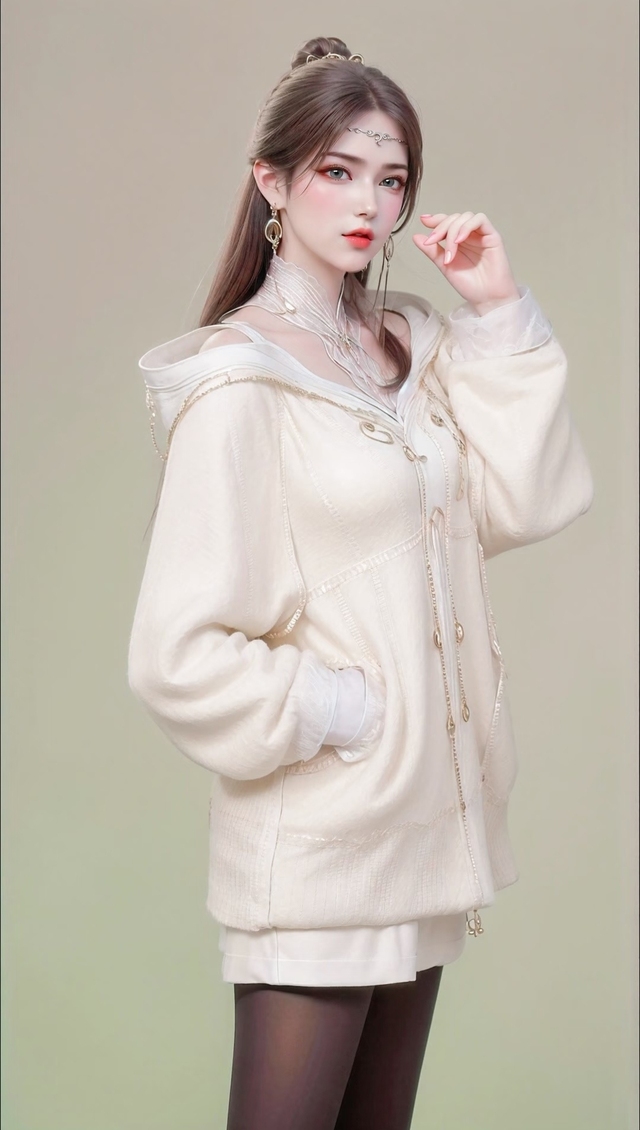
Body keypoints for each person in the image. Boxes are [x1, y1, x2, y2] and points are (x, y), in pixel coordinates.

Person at [128, 35, 594, 1130]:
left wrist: (496, 310)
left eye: (391, 179)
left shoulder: (407, 345)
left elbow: (516, 502)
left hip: (426, 835)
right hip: (325, 841)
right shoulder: (238, 380)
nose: (369, 204)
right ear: (272, 182)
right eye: (337, 171)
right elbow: (174, 650)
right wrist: (342, 711)